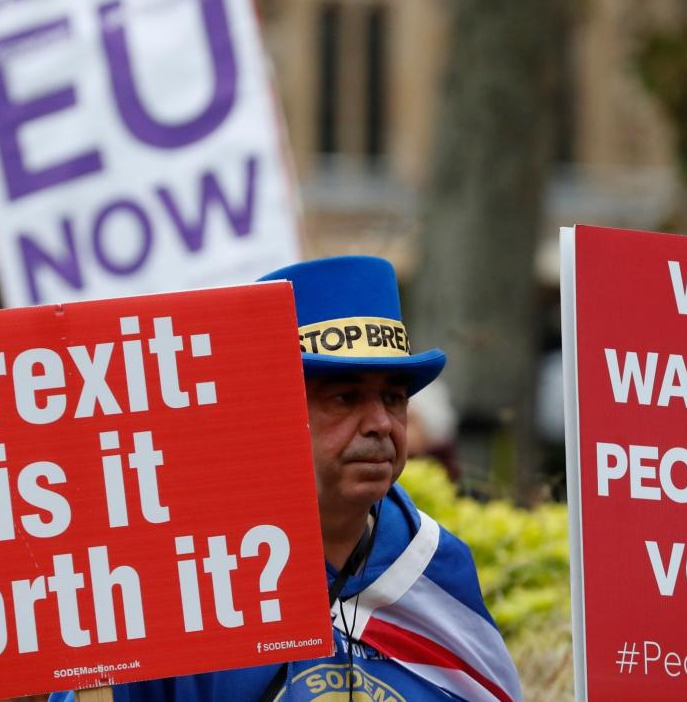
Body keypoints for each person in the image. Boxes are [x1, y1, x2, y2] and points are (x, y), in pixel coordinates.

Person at [49, 256, 522, 702]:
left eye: (394, 398)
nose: (380, 422)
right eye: (344, 398)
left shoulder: (437, 566)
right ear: (270, 410)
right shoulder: (180, 577)